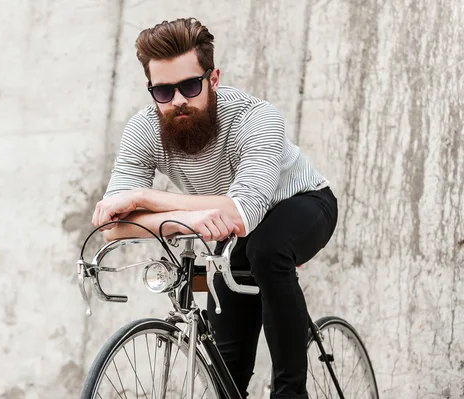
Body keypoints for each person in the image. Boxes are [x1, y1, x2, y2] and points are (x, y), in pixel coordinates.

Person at [91, 17, 338, 399]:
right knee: (228, 368)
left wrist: (144, 199)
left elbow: (241, 213)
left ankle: (291, 393)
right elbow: (112, 225)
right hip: (221, 223)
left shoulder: (256, 118)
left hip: (301, 203)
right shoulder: (143, 130)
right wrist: (186, 220)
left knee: (265, 248)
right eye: (162, 91)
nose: (177, 101)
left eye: (190, 86)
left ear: (214, 78)